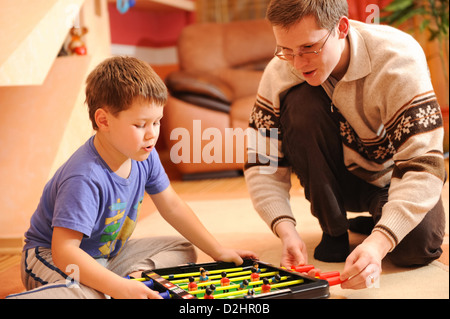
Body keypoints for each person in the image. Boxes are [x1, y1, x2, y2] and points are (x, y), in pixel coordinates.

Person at [8, 56, 257, 299]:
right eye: (140, 125)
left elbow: (171, 206)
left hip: (107, 256)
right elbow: (64, 252)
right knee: (90, 294)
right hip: (50, 258)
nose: (152, 135)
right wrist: (116, 288)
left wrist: (218, 250)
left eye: (157, 122)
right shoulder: (84, 176)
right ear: (103, 120)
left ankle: (128, 282)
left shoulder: (144, 155)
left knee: (181, 248)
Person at [244, 0, 446, 290]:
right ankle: (334, 230)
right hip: (336, 181)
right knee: (299, 103)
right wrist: (285, 231)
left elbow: (423, 162)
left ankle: (375, 222)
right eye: (286, 50)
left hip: (393, 178)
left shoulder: (397, 59)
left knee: (415, 248)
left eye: (308, 48)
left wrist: (378, 243)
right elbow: (262, 161)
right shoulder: (281, 69)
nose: (298, 64)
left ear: (340, 28)